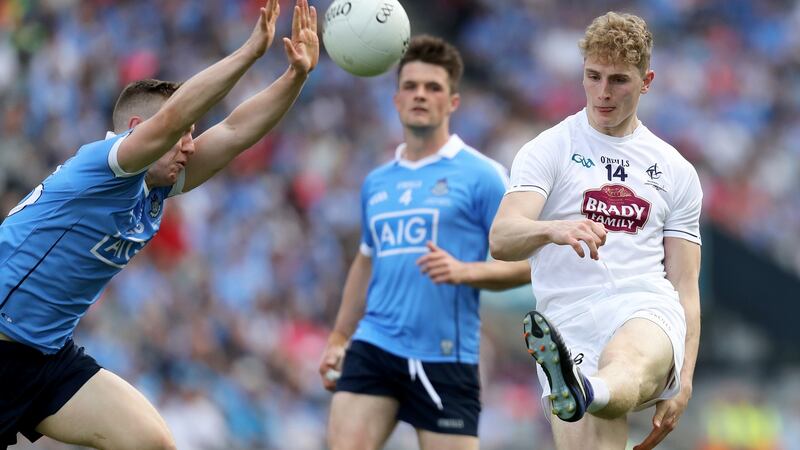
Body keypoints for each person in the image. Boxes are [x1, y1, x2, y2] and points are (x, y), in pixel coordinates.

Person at [0, 0, 319, 448]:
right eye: (182, 135)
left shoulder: (154, 189)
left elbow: (233, 132)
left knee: (153, 442)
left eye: (191, 135)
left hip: (47, 356)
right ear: (137, 128)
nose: (189, 146)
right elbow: (171, 118)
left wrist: (295, 76)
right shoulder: (103, 166)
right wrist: (250, 51)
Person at [489, 12, 701, 450]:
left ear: (646, 81)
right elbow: (502, 238)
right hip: (566, 327)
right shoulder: (549, 148)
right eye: (593, 76)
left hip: (644, 306)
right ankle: (581, 385)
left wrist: (684, 381)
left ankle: (587, 390)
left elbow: (685, 284)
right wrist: (553, 229)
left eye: (619, 80)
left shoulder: (675, 170)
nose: (603, 92)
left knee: (624, 358)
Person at [318, 35, 531, 450]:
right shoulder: (376, 182)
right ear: (396, 100)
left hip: (446, 356)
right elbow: (366, 260)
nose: (420, 95)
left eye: (433, 87)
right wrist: (340, 337)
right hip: (375, 345)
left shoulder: (483, 176)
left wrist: (465, 271)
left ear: (453, 102)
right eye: (411, 86)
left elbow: (531, 264)